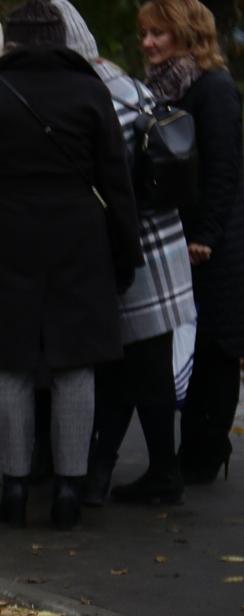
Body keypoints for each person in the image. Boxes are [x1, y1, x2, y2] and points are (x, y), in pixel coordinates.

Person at [0, 0, 142, 530]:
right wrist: (127, 252)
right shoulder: (89, 91)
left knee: (9, 365)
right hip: (80, 241)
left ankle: (13, 489)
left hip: (7, 240)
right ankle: (69, 493)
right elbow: (116, 183)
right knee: (74, 365)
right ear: (60, 38)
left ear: (11, 41)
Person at [52, 0, 198, 507]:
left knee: (138, 365)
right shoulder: (123, 82)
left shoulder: (93, 94)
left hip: (133, 245)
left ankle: (154, 472)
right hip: (159, 238)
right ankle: (134, 469)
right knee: (140, 361)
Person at [137, 0, 244, 487]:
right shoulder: (163, 89)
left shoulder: (213, 89)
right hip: (179, 236)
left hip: (215, 243)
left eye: (159, 33)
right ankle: (194, 451)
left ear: (187, 34)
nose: (149, 43)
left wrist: (206, 235)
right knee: (184, 346)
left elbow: (224, 168)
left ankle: (204, 452)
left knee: (216, 346)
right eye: (146, 34)